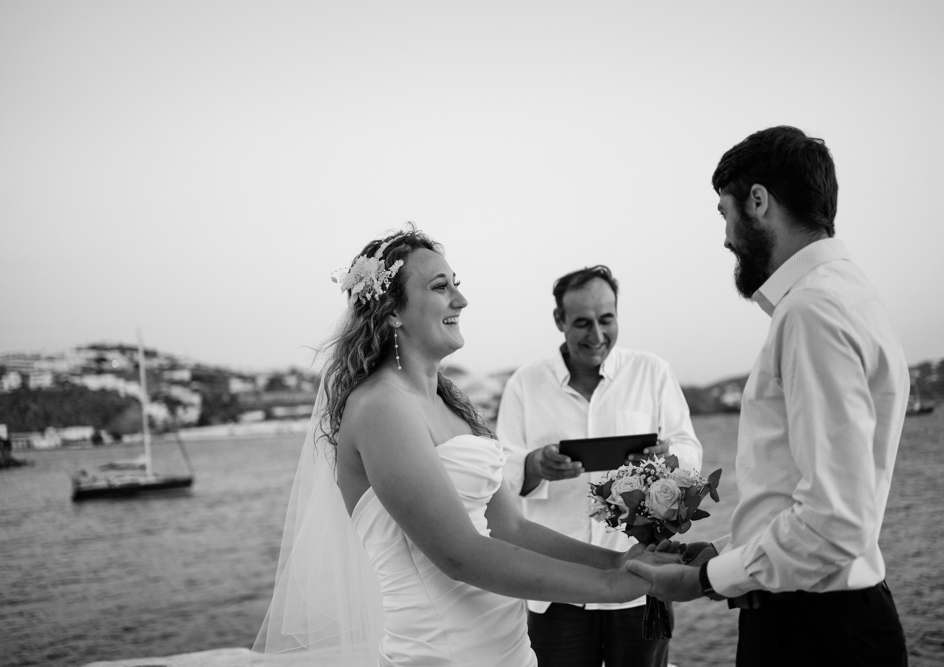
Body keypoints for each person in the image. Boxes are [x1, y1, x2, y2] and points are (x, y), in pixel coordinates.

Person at [253, 226, 663, 667]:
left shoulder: (451, 404)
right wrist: (613, 590)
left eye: (457, 285)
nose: (461, 300)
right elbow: (460, 555)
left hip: (510, 652)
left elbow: (515, 530)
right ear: (392, 312)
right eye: (439, 287)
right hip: (443, 655)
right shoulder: (381, 407)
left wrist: (617, 563)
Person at [627, 126, 910, 666]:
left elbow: (834, 522)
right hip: (828, 621)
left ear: (758, 201)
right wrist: (722, 554)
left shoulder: (811, 312)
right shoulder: (850, 296)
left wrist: (708, 579)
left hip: (813, 634)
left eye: (724, 212)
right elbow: (803, 496)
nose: (726, 236)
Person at [496, 265, 702, 667]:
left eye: (606, 320)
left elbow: (689, 449)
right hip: (556, 589)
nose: (596, 335)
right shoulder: (525, 383)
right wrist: (535, 465)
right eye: (582, 323)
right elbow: (501, 473)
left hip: (642, 579)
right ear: (559, 320)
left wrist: (666, 459)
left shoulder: (652, 372)